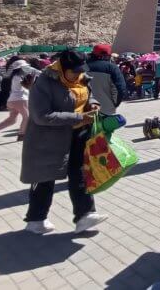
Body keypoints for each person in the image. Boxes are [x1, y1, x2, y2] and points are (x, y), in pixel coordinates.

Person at [20, 49, 108, 234]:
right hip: (48, 140)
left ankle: (85, 215)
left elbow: (86, 94)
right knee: (45, 179)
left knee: (80, 174)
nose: (78, 75)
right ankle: (36, 220)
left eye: (80, 71)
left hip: (78, 135)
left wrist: (93, 103)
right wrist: (79, 117)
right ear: (62, 69)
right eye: (74, 71)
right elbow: (41, 116)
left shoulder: (81, 77)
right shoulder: (44, 82)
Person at [0, 60, 37, 141]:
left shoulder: (15, 76)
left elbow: (28, 86)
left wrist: (32, 77)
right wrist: (33, 76)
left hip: (12, 101)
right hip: (20, 100)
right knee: (27, 117)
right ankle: (21, 135)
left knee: (11, 120)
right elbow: (28, 87)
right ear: (20, 68)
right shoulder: (18, 76)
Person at [87, 44, 127, 116]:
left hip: (85, 110)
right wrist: (114, 104)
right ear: (107, 56)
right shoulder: (112, 68)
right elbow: (121, 89)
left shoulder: (82, 67)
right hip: (106, 110)